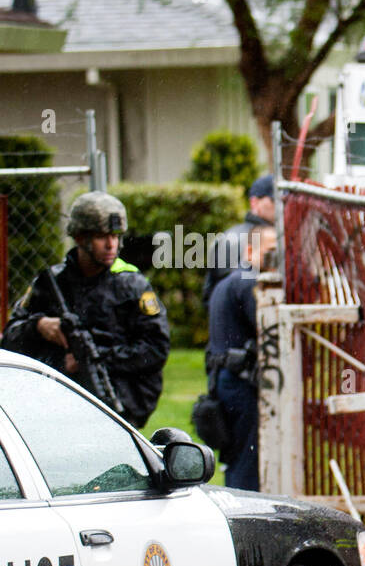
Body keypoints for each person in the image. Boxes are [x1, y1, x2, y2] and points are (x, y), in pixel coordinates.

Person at [2, 191, 170, 429]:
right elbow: (10, 339)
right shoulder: (51, 283)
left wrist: (96, 358)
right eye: (103, 236)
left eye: (116, 236)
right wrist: (38, 327)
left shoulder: (133, 286)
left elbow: (155, 348)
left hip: (120, 407)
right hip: (56, 409)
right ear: (81, 238)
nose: (112, 245)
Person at [206, 223, 276, 490]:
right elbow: (269, 331)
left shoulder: (229, 281)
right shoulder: (249, 282)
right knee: (248, 462)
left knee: (238, 458)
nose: (276, 258)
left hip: (228, 381)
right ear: (250, 251)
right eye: (270, 251)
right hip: (242, 384)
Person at [203, 173, 275, 309]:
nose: (281, 206)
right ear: (254, 203)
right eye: (274, 200)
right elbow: (226, 297)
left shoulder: (277, 237)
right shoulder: (234, 240)